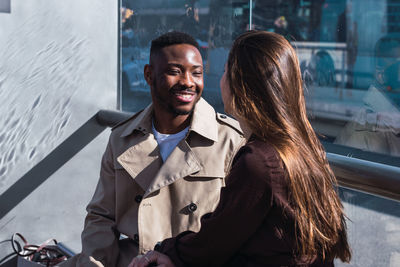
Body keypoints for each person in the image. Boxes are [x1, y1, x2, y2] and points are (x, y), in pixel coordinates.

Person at [129, 31, 351, 267]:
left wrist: (169, 252)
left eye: (226, 71)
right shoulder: (303, 148)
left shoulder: (259, 161)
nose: (221, 79)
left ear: (241, 86)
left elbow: (216, 240)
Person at [61, 31, 244, 267]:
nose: (188, 81)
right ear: (149, 74)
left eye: (196, 73)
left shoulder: (230, 140)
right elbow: (101, 216)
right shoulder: (122, 138)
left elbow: (236, 230)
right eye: (175, 71)